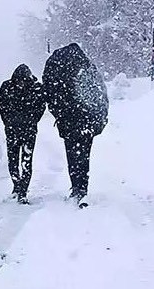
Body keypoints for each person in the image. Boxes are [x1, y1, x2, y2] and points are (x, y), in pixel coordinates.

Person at [43, 43, 109, 208]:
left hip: (70, 122)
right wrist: (100, 118)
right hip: (88, 121)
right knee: (84, 155)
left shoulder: (58, 69)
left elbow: (51, 95)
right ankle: (82, 187)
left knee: (73, 155)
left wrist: (59, 114)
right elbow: (101, 94)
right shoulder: (87, 68)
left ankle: (76, 187)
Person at [0, 64, 46, 204]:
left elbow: (41, 107)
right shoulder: (7, 87)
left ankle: (23, 191)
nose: (21, 84)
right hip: (12, 130)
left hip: (28, 131)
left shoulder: (36, 89)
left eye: (23, 81)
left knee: (26, 161)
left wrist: (32, 121)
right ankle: (16, 185)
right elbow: (1, 106)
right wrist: (8, 122)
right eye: (19, 81)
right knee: (13, 161)